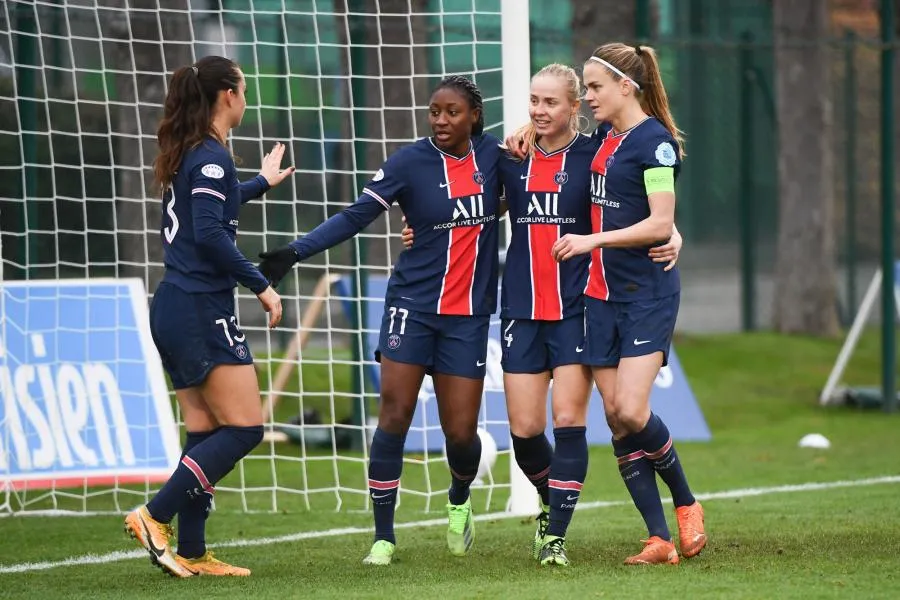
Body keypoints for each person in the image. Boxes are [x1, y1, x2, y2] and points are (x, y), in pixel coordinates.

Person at [403, 64, 683, 567]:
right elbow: (461, 201)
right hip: (521, 309)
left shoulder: (595, 152)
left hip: (578, 309)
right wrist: (419, 229)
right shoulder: (510, 156)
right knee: (527, 430)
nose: (538, 111)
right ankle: (551, 507)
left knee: (569, 420)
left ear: (574, 107)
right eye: (533, 101)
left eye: (551, 102)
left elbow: (635, 199)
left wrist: (673, 231)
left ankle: (555, 536)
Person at [257, 76, 503, 566]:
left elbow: (546, 192)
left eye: (452, 112)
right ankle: (384, 537)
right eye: (434, 111)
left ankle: (458, 499)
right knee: (393, 414)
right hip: (410, 307)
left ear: (474, 115)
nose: (440, 120)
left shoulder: (498, 157)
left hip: (467, 317)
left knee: (460, 434)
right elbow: (354, 217)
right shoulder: (408, 162)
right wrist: (295, 252)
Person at [123, 55, 294, 578]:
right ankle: (154, 515)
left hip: (176, 304)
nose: (245, 98)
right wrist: (261, 284)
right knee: (245, 429)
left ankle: (193, 551)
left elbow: (214, 208)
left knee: (204, 430)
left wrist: (260, 183)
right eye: (243, 90)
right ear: (228, 96)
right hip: (199, 308)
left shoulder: (197, 154)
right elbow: (210, 233)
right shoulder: (212, 158)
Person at [549, 43, 706, 565]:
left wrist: (595, 240)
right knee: (616, 421)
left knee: (631, 410)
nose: (587, 95)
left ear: (626, 87)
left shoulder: (655, 144)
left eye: (594, 87)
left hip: (646, 296)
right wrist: (526, 134)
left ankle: (686, 502)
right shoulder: (601, 140)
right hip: (598, 295)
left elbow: (660, 222)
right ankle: (658, 539)